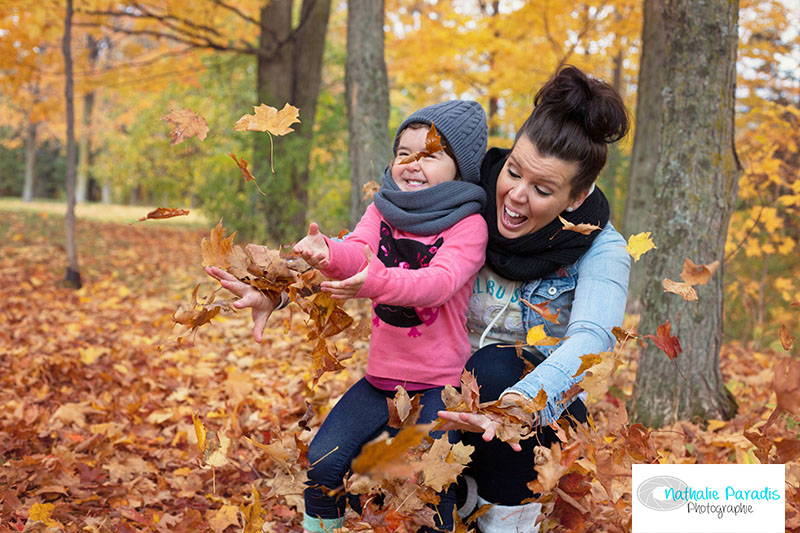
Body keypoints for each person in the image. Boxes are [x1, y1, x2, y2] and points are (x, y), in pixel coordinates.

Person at [208, 99, 489, 532]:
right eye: (404, 153)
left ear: (460, 170)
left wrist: (375, 279)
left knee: (429, 489)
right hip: (379, 383)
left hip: (437, 389)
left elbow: (439, 283)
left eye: (430, 155)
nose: (413, 164)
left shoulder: (468, 225)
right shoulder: (383, 209)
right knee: (323, 464)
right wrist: (326, 252)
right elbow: (356, 249)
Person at [437, 65, 630, 533]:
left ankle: (507, 519)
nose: (515, 197)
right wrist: (278, 287)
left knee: (499, 367)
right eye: (513, 172)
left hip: (533, 415)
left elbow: (593, 340)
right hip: (442, 400)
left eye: (542, 189)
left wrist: (521, 404)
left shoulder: (603, 248)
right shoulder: (465, 200)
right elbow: (380, 248)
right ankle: (456, 498)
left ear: (576, 197)